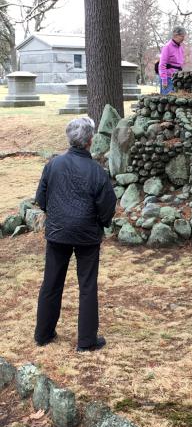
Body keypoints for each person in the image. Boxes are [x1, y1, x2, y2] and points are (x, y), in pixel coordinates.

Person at [34, 117, 117, 352]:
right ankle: (86, 340)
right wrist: (100, 223)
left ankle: (43, 334)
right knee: (87, 286)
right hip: (87, 234)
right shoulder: (97, 171)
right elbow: (107, 205)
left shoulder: (53, 165)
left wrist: (57, 215)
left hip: (58, 232)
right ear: (90, 141)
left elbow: (41, 199)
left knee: (51, 282)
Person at [158, 25, 186, 95]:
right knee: (167, 101)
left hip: (177, 78)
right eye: (182, 36)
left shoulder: (181, 48)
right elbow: (162, 65)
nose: (183, 38)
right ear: (176, 35)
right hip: (168, 78)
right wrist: (164, 80)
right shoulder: (167, 47)